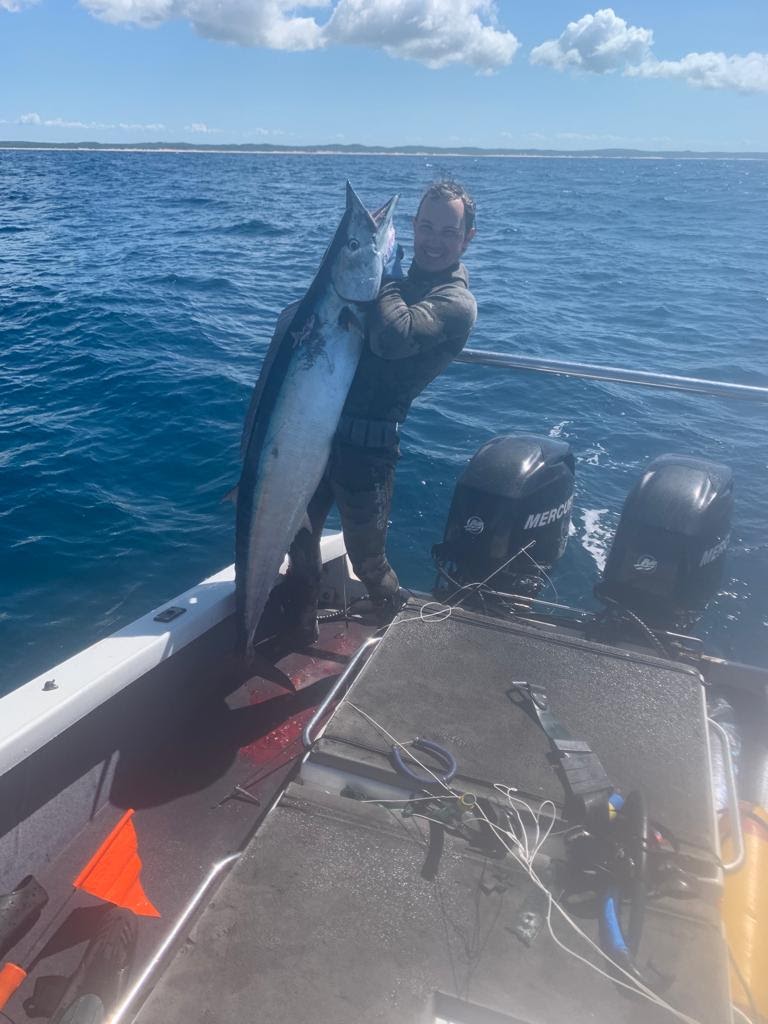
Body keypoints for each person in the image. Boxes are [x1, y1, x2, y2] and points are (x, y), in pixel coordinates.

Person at [284, 180, 478, 643]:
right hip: (320, 435)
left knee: (366, 557)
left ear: (467, 239)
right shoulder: (393, 278)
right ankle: (297, 625)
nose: (433, 240)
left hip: (369, 451)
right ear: (412, 227)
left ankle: (400, 639)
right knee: (300, 536)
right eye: (426, 226)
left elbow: (392, 337)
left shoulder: (455, 302)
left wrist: (375, 274)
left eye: (447, 232)